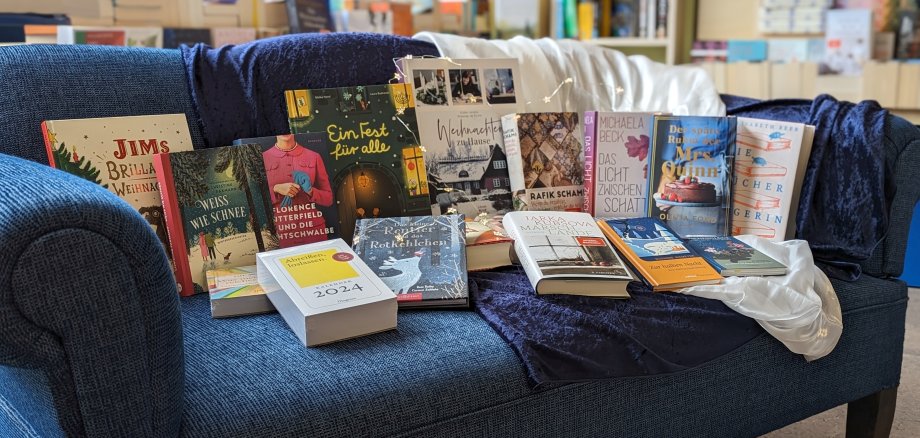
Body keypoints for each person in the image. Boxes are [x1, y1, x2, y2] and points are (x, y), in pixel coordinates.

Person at [263, 134, 334, 246]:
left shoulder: (314, 156)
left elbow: (328, 199)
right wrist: (275, 189)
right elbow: (257, 202)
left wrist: (311, 191)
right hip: (279, 232)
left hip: (314, 231)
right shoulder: (262, 158)